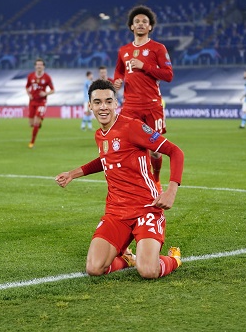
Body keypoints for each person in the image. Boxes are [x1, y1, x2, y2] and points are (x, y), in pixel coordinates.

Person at [55, 79, 183, 279]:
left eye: (108, 101)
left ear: (116, 103)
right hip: (116, 212)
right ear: (90, 106)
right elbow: (106, 159)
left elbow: (175, 152)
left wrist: (171, 191)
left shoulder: (132, 127)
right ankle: (126, 259)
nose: (103, 107)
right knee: (94, 268)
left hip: (146, 208)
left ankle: (174, 259)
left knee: (148, 270)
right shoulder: (100, 134)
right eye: (97, 102)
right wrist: (73, 174)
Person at [113, 5, 173, 189]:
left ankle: (156, 179)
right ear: (131, 26)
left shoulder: (158, 48)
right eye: (137, 21)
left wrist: (144, 66)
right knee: (130, 147)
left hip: (152, 106)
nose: (140, 24)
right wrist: (117, 81)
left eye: (144, 22)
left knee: (155, 150)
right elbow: (119, 71)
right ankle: (136, 181)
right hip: (130, 107)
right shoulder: (123, 50)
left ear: (150, 27)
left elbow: (168, 75)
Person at [26, 58, 55, 148]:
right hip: (32, 101)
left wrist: (45, 93)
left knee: (36, 121)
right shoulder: (30, 76)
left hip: (42, 102)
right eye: (37, 64)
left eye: (41, 65)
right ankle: (39, 122)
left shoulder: (47, 77)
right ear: (35, 66)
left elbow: (53, 90)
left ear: (43, 66)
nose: (39, 66)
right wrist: (29, 94)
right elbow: (27, 87)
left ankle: (32, 142)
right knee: (31, 123)